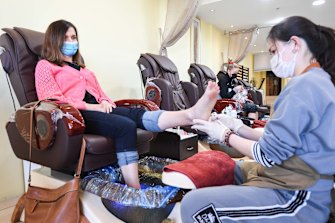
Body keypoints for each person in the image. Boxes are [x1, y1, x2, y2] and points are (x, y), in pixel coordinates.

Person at [181, 16, 335, 223]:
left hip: (297, 195)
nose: (272, 58)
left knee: (194, 204)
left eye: (273, 51)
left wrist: (225, 135)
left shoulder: (306, 86)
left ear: (295, 44)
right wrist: (237, 127)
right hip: (287, 176)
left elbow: (268, 155)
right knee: (229, 168)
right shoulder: (312, 82)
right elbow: (278, 140)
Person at [35, 19, 219, 189]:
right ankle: (134, 188)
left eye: (73, 37)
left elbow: (101, 94)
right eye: (66, 37)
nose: (71, 41)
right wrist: (93, 107)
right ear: (55, 40)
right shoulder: (45, 66)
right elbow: (52, 100)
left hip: (99, 109)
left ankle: (190, 115)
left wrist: (105, 102)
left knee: (135, 114)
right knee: (125, 126)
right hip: (75, 115)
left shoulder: (85, 70)